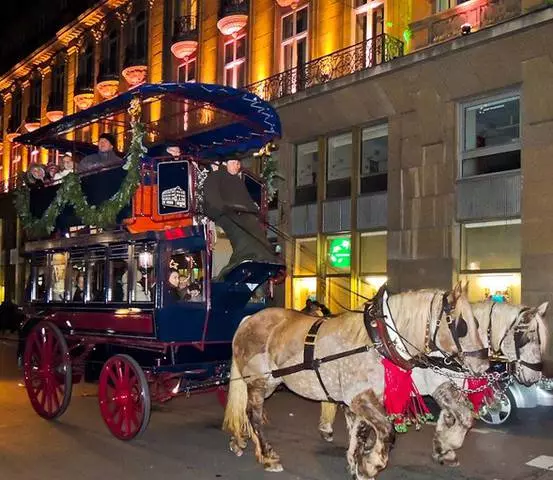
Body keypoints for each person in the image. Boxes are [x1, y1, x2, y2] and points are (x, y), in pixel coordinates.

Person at [202, 157, 281, 280]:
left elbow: (247, 201)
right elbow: (212, 197)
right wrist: (223, 208)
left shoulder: (238, 181)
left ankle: (266, 255)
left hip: (241, 214)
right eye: (233, 163)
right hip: (226, 214)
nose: (237, 166)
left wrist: (256, 213)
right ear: (225, 163)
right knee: (243, 233)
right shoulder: (216, 176)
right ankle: (243, 259)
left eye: (238, 163)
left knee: (255, 228)